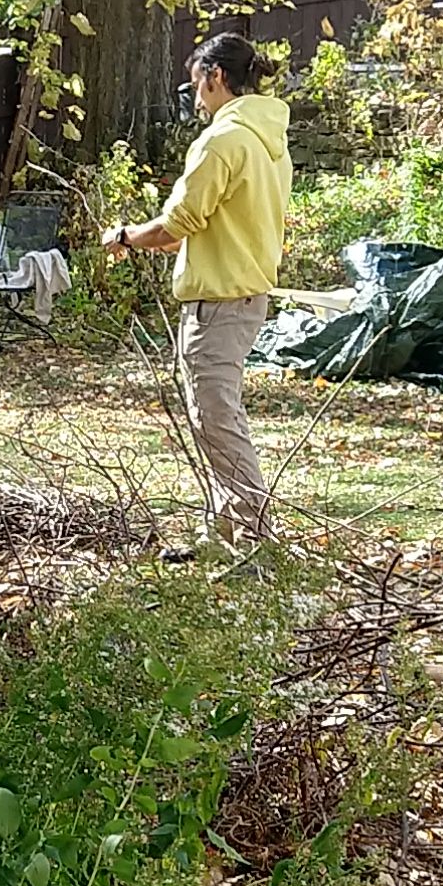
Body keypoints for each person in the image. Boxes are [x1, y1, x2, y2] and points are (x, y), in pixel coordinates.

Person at [99, 27, 294, 540]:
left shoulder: (223, 140)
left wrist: (124, 235)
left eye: (195, 85)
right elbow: (210, 223)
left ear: (215, 77)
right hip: (247, 297)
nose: (196, 100)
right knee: (214, 414)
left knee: (215, 418)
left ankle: (254, 535)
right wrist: (159, 239)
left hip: (217, 304)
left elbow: (176, 223)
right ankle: (224, 529)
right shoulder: (269, 141)